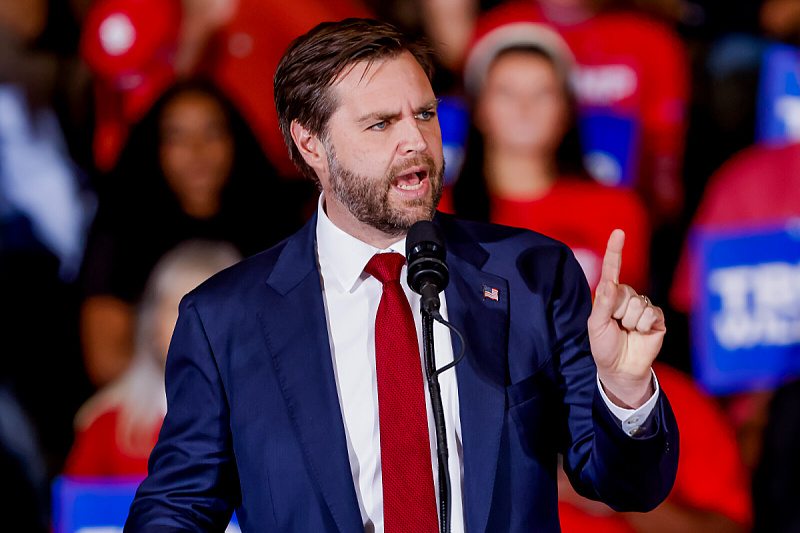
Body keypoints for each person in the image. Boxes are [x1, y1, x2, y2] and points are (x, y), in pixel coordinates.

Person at [125, 18, 678, 533]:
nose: (415, 141)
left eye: (425, 114)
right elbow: (178, 506)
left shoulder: (533, 274)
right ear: (311, 143)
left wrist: (625, 389)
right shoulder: (224, 318)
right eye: (381, 123)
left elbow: (628, 485)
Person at [79, 80, 304, 386]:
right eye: (177, 137)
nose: (197, 151)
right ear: (155, 148)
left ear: (235, 139)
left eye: (212, 133)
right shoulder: (121, 232)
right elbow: (106, 361)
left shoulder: (280, 225)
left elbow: (302, 337)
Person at [447, 19, 650, 293]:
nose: (524, 107)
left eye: (542, 93)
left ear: (566, 112)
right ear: (479, 109)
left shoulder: (617, 211)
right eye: (506, 92)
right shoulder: (435, 211)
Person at [65, 240, 241, 476]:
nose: (195, 324)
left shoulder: (270, 422)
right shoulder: (106, 428)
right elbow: (76, 508)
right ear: (153, 324)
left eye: (213, 309)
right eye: (179, 306)